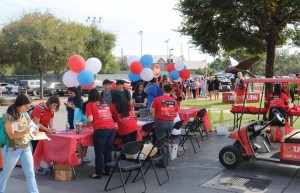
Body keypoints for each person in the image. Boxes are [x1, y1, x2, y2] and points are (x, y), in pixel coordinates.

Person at [0, 94, 40, 193]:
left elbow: (32, 125)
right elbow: (12, 135)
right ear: (19, 104)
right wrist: (25, 132)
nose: (28, 108)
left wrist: (35, 131)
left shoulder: (25, 114)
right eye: (26, 106)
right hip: (12, 149)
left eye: (29, 106)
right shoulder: (9, 116)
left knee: (30, 173)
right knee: (6, 173)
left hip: (25, 147)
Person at [86, 88, 116, 179]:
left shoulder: (90, 104)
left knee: (99, 153)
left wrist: (86, 125)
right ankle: (107, 170)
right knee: (107, 151)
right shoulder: (104, 103)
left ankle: (98, 173)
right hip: (111, 128)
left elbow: (90, 119)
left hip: (101, 130)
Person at [150, 83, 179, 167]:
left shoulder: (157, 99)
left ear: (163, 89)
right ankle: (167, 158)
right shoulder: (174, 101)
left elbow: (152, 111)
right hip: (170, 122)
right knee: (166, 140)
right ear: (171, 90)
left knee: (161, 141)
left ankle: (164, 161)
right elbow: (176, 114)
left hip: (160, 122)